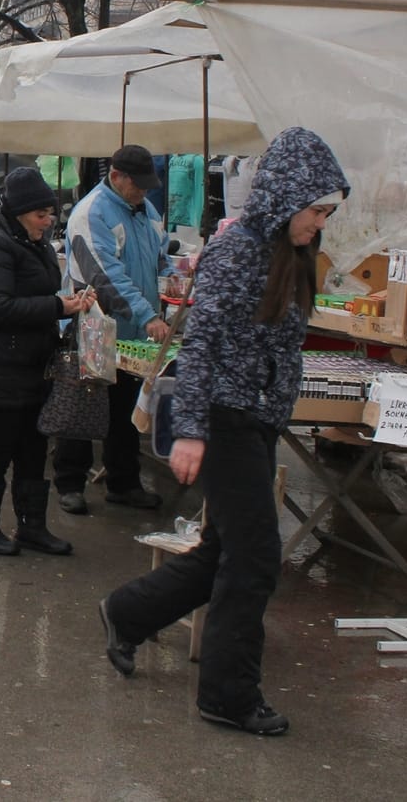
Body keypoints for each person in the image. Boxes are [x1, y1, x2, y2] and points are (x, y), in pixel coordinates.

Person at [98, 127, 348, 738]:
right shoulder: (238, 252)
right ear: (286, 198)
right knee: (257, 557)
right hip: (224, 419)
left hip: (256, 419)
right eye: (316, 211)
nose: (319, 223)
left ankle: (127, 613)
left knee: (224, 550)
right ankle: (228, 695)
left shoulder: (292, 253)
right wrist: (192, 430)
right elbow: (203, 340)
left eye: (326, 214)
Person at [0, 167, 94, 556]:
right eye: (41, 214)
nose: (49, 220)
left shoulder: (38, 244)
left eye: (51, 213)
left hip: (31, 363)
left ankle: (33, 527)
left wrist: (72, 303)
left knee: (34, 449)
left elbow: (43, 290)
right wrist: (57, 306)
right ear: (19, 212)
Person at [54, 145, 169, 515]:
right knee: (82, 404)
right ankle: (69, 483)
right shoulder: (90, 212)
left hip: (134, 331)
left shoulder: (147, 210)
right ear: (117, 177)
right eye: (139, 186)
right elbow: (103, 276)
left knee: (125, 409)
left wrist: (173, 281)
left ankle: (124, 482)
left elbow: (160, 259)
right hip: (92, 323)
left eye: (148, 186)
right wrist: (147, 315)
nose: (144, 193)